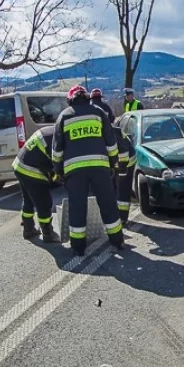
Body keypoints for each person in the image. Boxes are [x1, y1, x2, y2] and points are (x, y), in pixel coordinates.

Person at [52, 85, 124, 254]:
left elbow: (57, 150)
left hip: (74, 171)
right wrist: (113, 164)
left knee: (77, 207)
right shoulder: (99, 113)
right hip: (100, 168)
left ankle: (78, 247)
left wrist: (58, 170)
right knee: (108, 204)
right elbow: (111, 143)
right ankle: (117, 240)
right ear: (86, 97)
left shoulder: (64, 116)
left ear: (70, 100)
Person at [12, 126, 61, 243]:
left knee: (28, 199)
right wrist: (60, 178)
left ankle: (28, 228)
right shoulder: (58, 140)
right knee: (44, 202)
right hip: (31, 168)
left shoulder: (51, 132)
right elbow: (56, 164)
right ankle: (48, 233)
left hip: (19, 165)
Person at [113, 122, 136, 226]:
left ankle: (122, 218)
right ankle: (116, 214)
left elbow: (123, 153)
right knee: (115, 188)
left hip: (127, 161)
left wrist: (122, 172)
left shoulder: (112, 133)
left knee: (123, 189)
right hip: (118, 161)